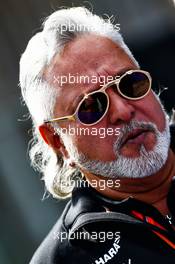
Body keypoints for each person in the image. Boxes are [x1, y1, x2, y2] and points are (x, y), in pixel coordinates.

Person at [19, 7, 175, 264]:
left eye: (128, 83)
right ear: (58, 141)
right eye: (91, 107)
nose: (123, 111)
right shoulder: (61, 259)